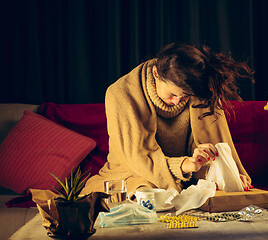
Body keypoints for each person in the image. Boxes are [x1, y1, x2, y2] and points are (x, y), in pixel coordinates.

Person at [81, 43, 253, 196]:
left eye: (185, 97)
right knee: (147, 194)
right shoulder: (120, 94)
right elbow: (137, 158)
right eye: (172, 94)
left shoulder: (199, 90)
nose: (177, 101)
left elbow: (214, 142)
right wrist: (185, 165)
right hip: (134, 173)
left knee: (218, 191)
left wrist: (224, 172)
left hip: (190, 176)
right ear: (156, 73)